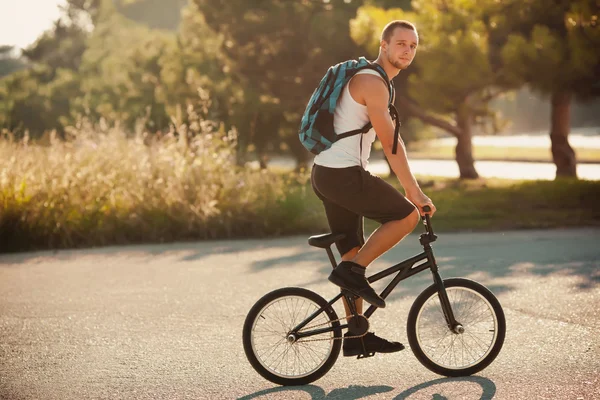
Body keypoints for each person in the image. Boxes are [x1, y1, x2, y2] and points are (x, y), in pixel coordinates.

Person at [311, 20, 437, 357]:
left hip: (328, 174)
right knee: (406, 216)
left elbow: (390, 140)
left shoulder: (374, 80)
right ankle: (352, 273)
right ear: (383, 45)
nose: (407, 50)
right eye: (400, 44)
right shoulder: (373, 82)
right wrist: (415, 193)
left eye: (412, 45)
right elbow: (391, 144)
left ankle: (356, 336)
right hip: (342, 174)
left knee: (352, 251)